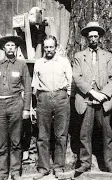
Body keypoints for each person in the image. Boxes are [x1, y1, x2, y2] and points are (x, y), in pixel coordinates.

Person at [72, 21, 112, 174]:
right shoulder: (79, 56)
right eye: (90, 36)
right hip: (87, 99)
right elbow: (77, 78)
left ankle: (109, 164)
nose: (93, 39)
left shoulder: (107, 56)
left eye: (95, 36)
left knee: (107, 134)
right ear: (86, 38)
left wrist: (104, 94)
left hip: (103, 101)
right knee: (85, 133)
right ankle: (85, 163)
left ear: (99, 38)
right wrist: (93, 92)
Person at [0, 34, 32, 180]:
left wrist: (26, 108)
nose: (10, 48)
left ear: (16, 48)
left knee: (16, 140)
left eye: (13, 45)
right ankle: (2, 173)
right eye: (8, 46)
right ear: (3, 48)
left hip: (15, 104)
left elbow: (28, 88)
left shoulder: (21, 65)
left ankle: (15, 172)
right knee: (1, 141)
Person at [31, 35, 72, 180]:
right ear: (44, 48)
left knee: (61, 135)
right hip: (44, 98)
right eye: (46, 47)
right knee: (43, 135)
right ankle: (43, 168)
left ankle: (59, 168)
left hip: (61, 97)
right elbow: (34, 85)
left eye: (51, 47)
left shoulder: (64, 62)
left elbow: (70, 82)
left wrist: (65, 96)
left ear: (56, 47)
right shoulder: (39, 63)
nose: (48, 50)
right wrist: (36, 104)